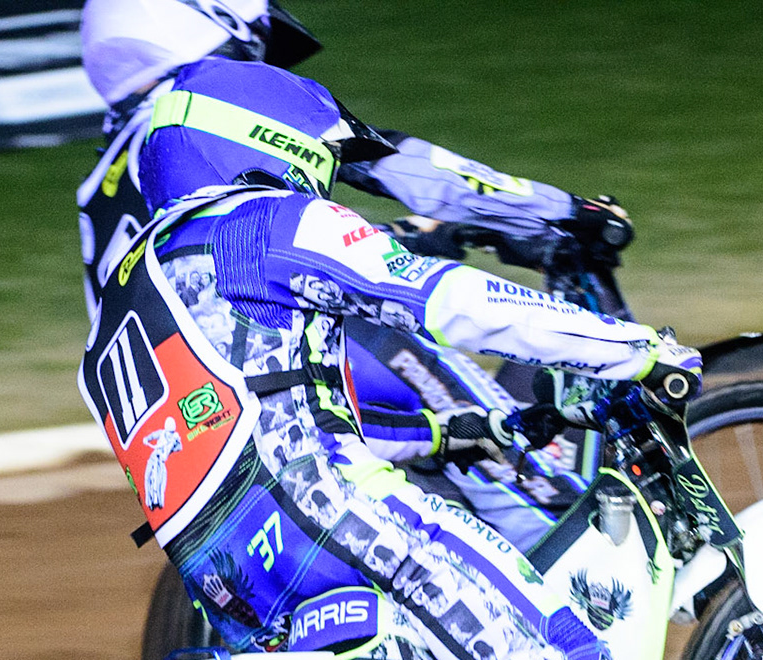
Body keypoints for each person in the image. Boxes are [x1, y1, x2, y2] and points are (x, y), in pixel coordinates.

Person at [74, 54, 740, 660]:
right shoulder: (269, 225)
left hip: (223, 567)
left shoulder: (134, 290)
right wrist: (630, 349)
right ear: (270, 134)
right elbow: (453, 303)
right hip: (329, 512)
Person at [78, 0, 633, 549]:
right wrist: (564, 209)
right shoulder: (208, 111)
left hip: (183, 416)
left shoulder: (102, 185)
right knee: (540, 486)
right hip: (301, 344)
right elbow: (416, 176)